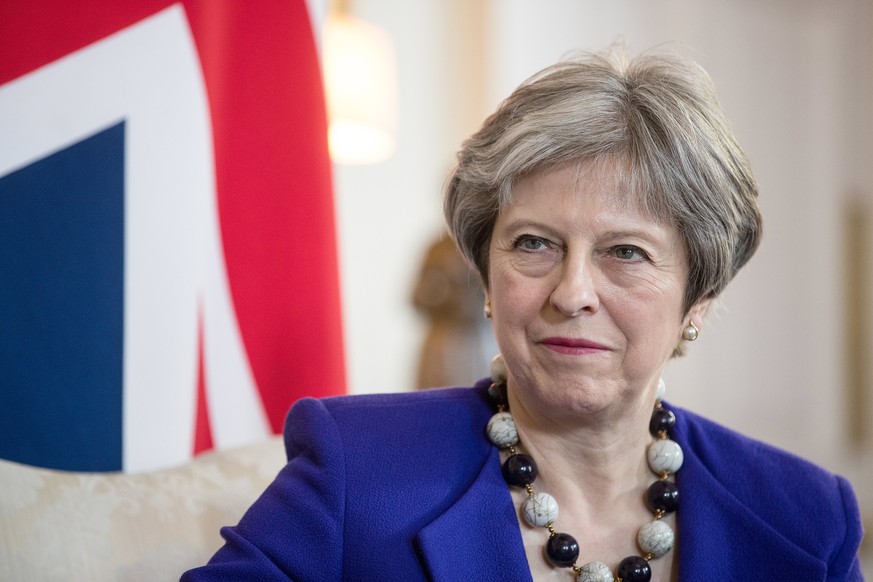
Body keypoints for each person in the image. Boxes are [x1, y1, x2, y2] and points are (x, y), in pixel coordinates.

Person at [182, 46, 864, 581]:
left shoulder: (803, 516)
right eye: (534, 244)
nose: (571, 293)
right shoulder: (355, 472)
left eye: (624, 252)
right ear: (485, 274)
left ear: (698, 297)